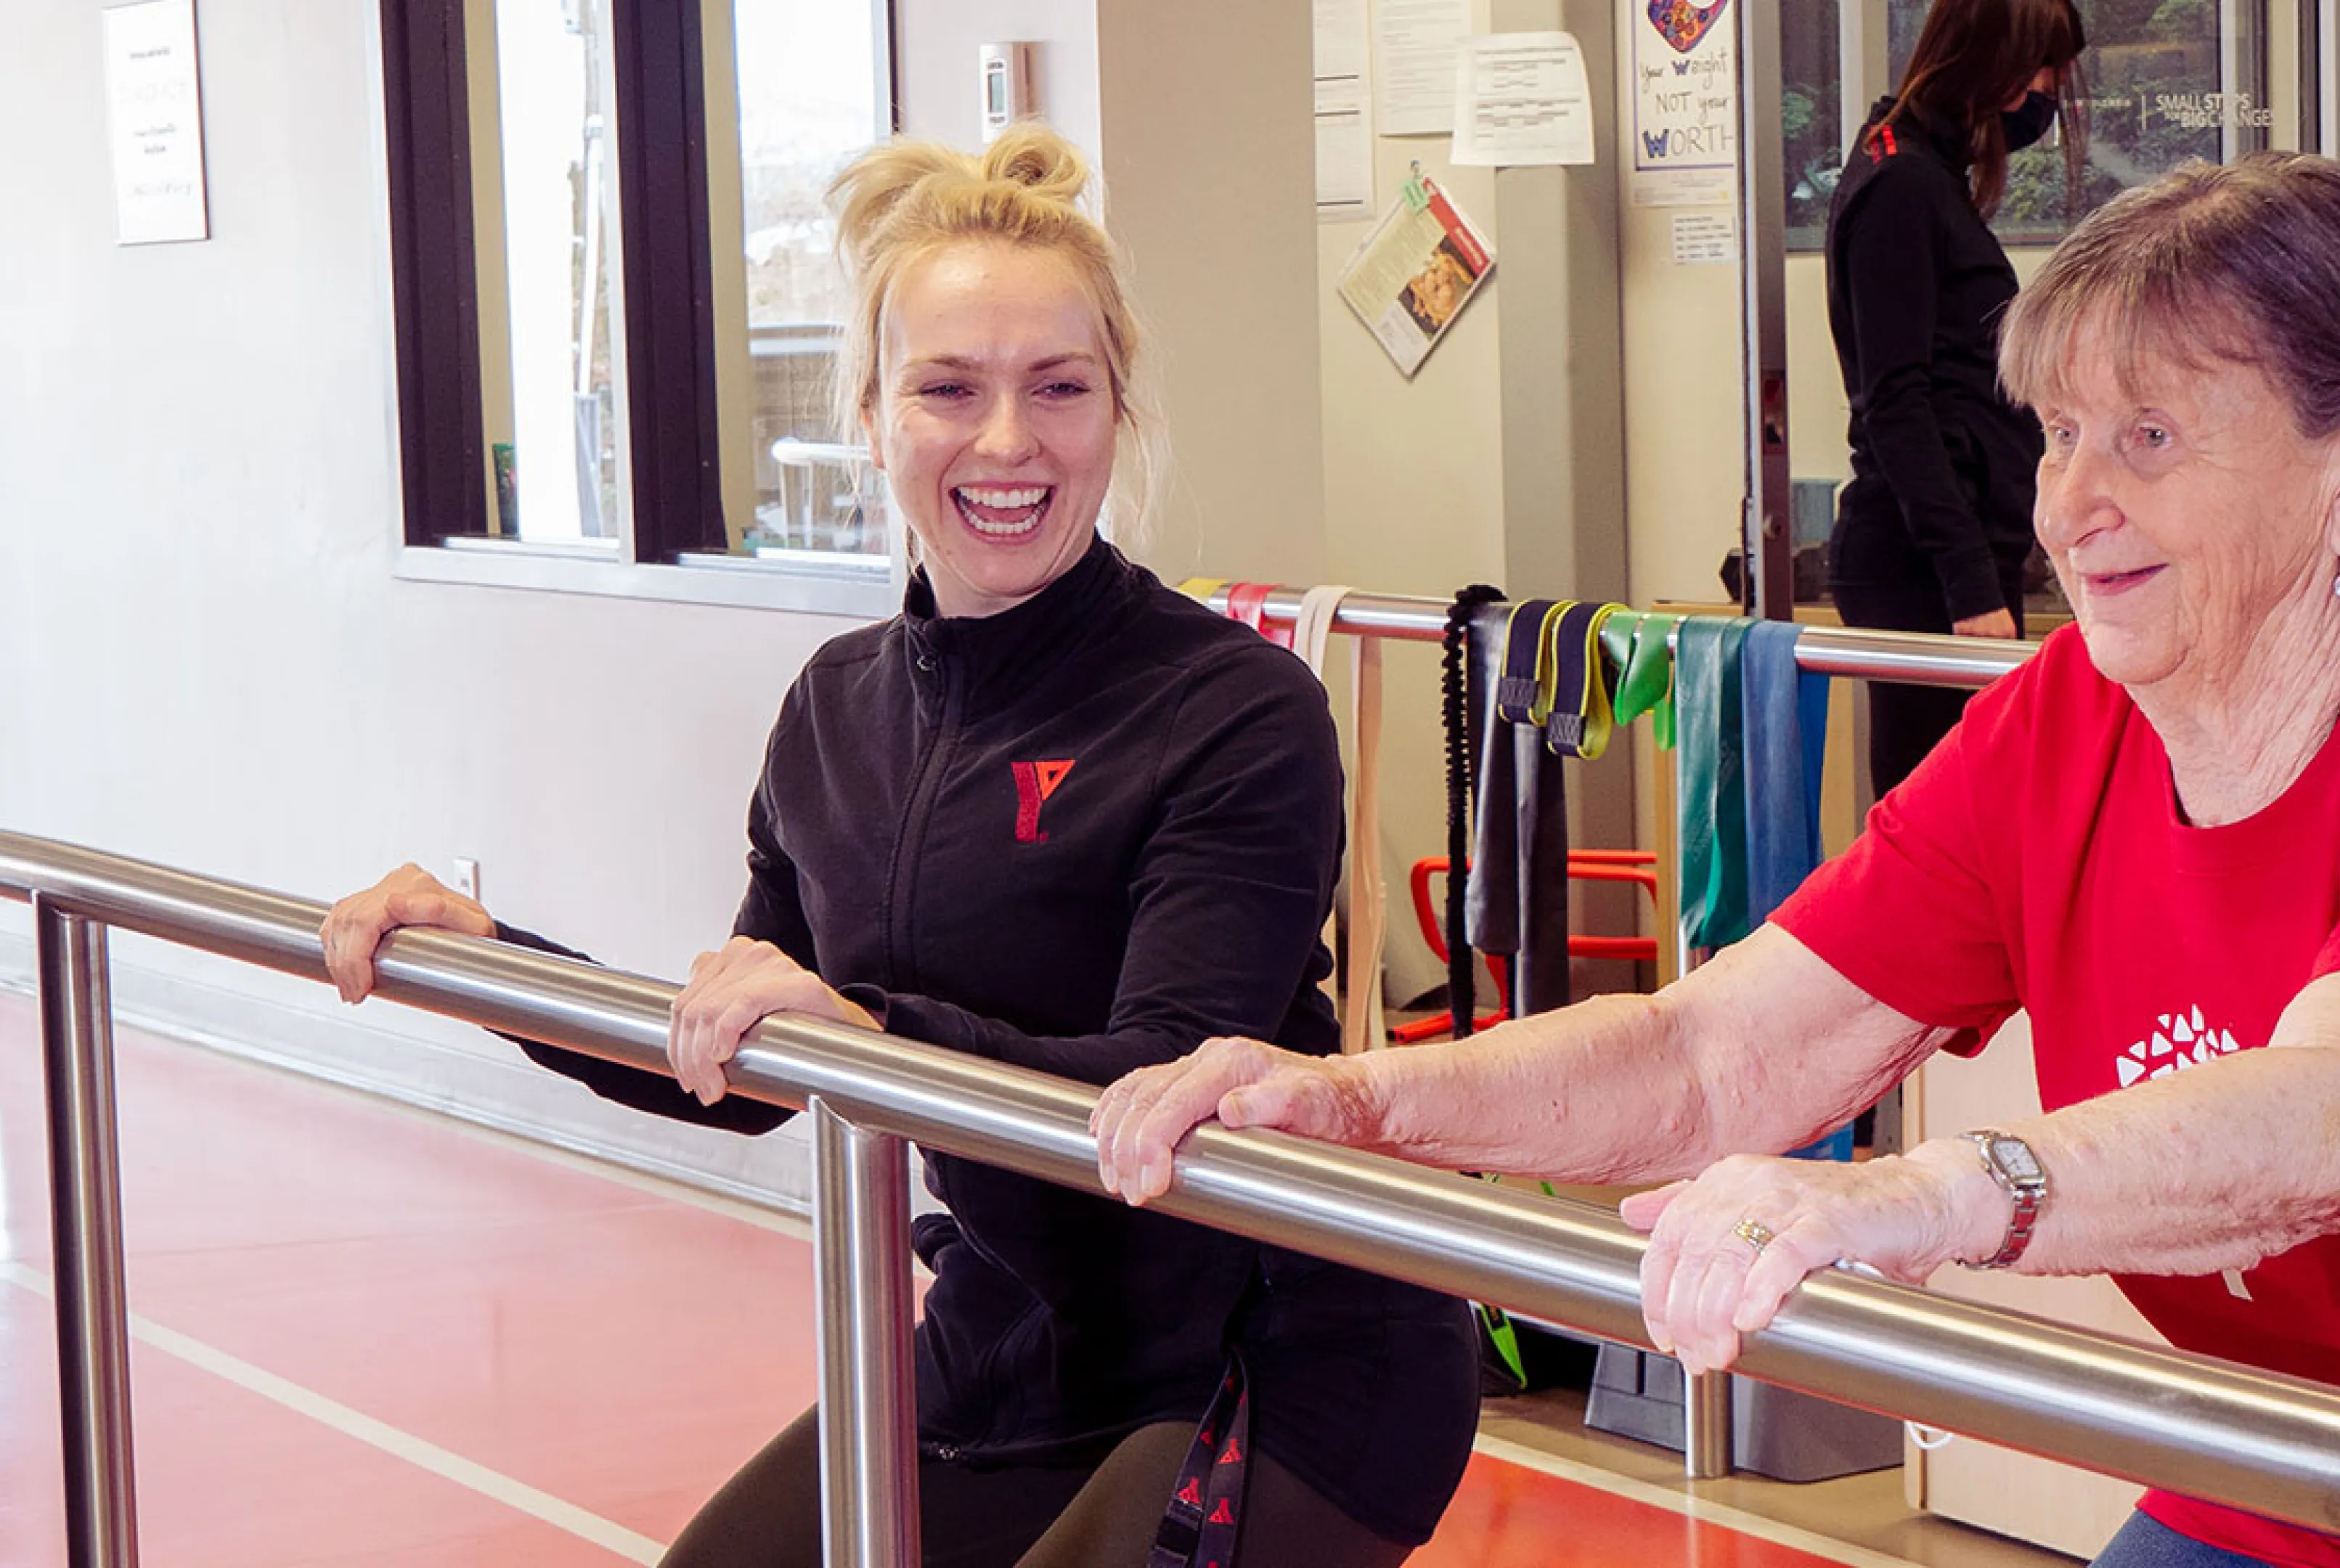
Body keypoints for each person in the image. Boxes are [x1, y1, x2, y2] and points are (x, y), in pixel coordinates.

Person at [1096, 153, 2340, 1568]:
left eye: (2146, 440)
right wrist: (1360, 1100)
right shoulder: (2070, 724)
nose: (2069, 505)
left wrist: (1925, 1194)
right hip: (2324, 1464)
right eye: (2057, 435)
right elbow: (1722, 1047)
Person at [321, 127, 1478, 1568]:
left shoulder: (1234, 709)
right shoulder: (835, 712)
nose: (1008, 442)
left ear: (1118, 409)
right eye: (948, 389)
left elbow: (1158, 1085)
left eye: (1059, 388)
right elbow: (745, 1070)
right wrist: (497, 971)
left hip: (1277, 1360)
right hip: (1009, 1354)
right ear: (871, 412)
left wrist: (864, 1030)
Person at [1826, 0, 2084, 797]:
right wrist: (1969, 583)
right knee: (1937, 823)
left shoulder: (1929, 180)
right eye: (2041, 68)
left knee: (1975, 816)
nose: (2047, 90)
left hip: (1953, 560)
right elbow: (1895, 400)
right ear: (1990, 61)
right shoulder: (1900, 186)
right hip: (1926, 574)